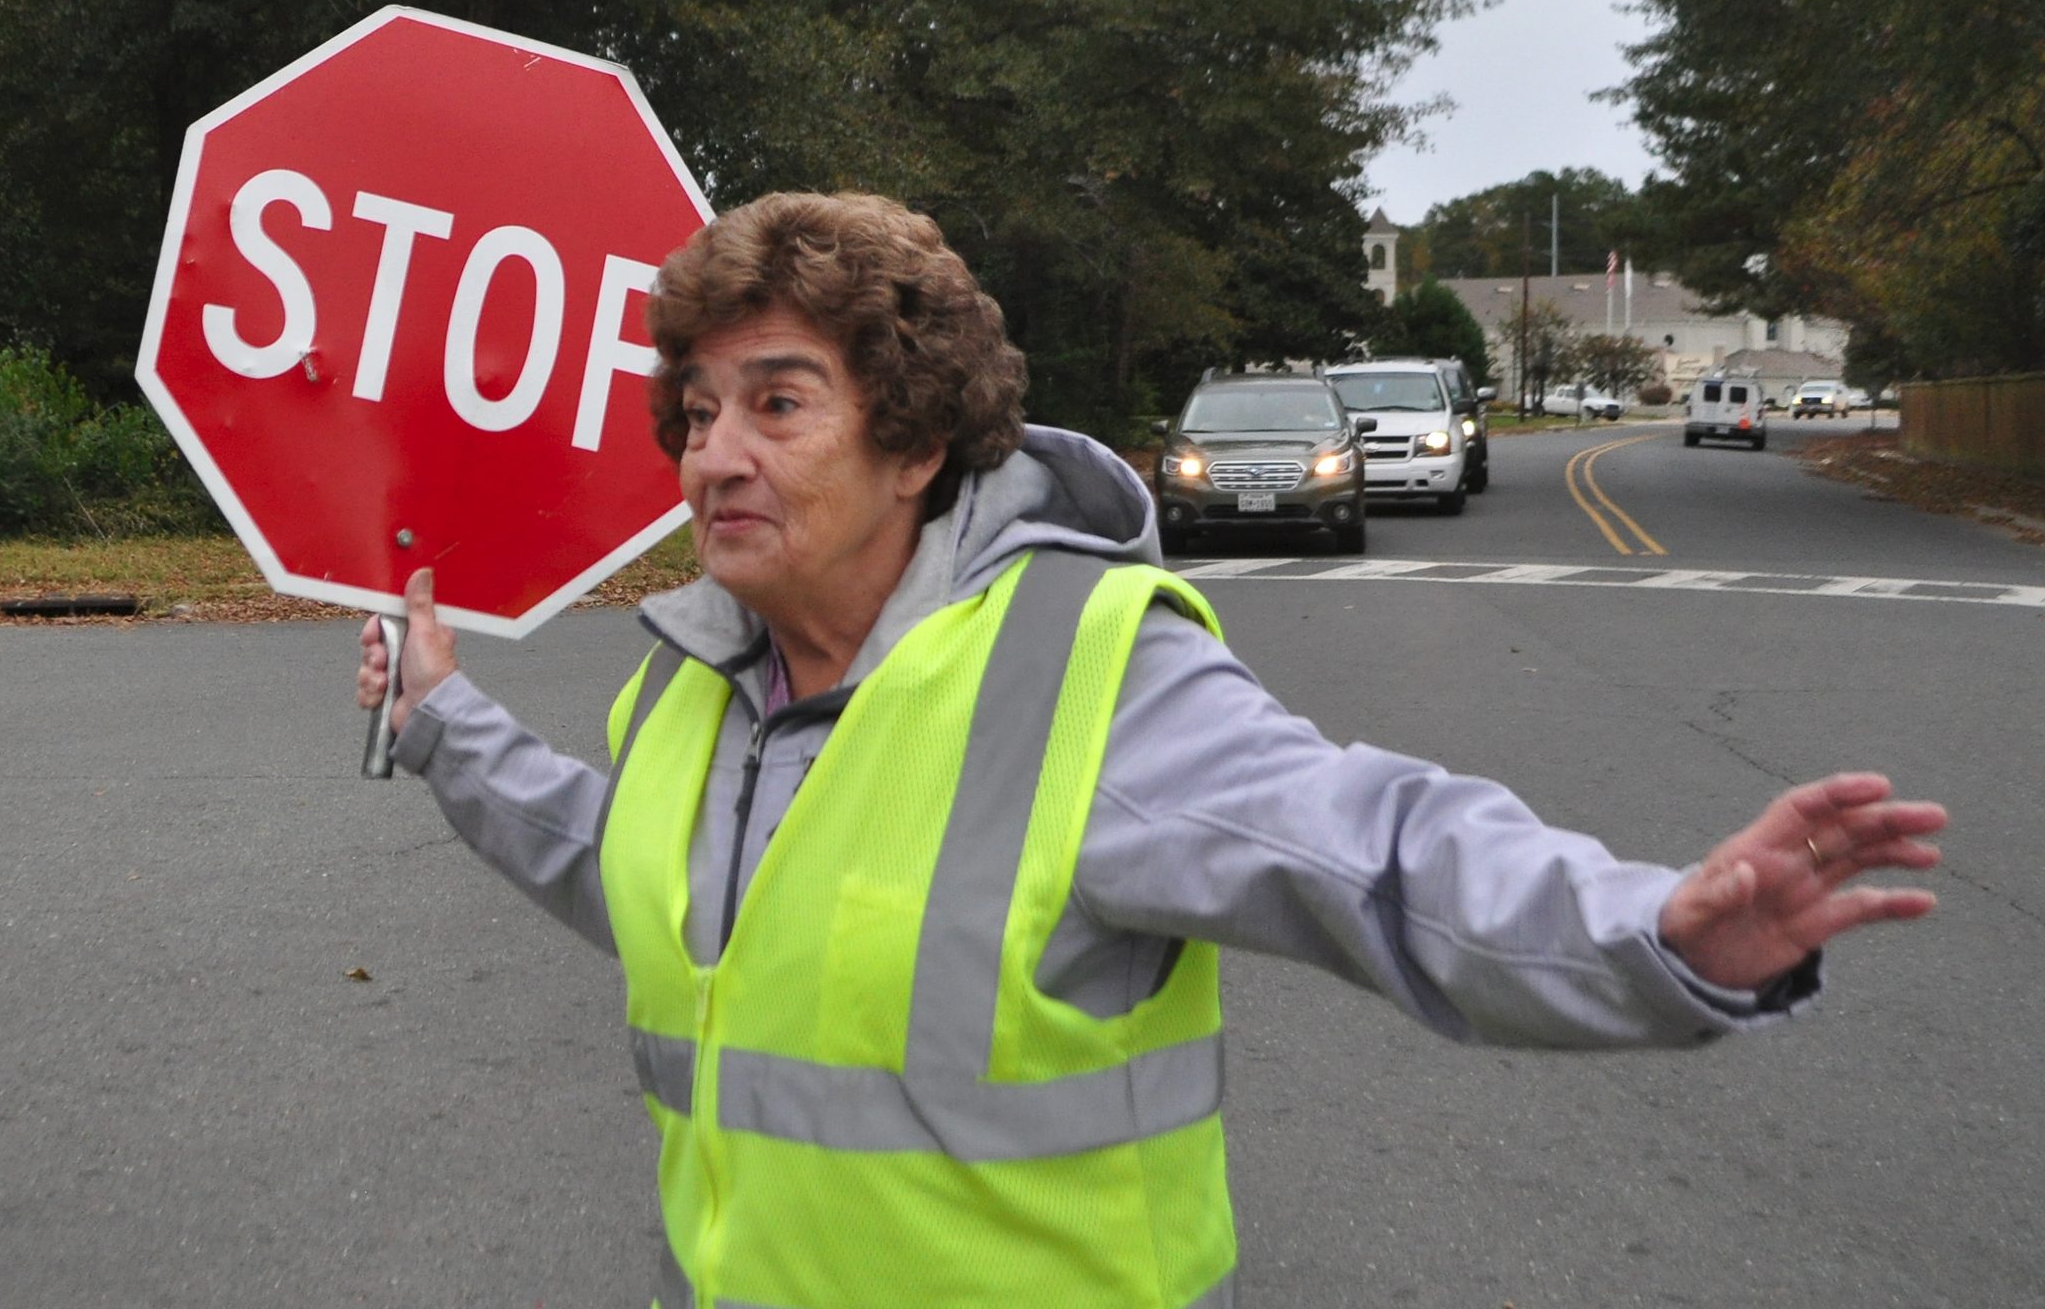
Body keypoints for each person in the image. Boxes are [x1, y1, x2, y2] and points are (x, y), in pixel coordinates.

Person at [356, 191, 1945, 1309]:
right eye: (697, 412)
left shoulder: (1083, 671)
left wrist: (1649, 933)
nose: (716, 455)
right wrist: (443, 725)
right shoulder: (697, 677)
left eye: (779, 404)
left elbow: (1370, 848)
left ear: (913, 441)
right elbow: (640, 882)